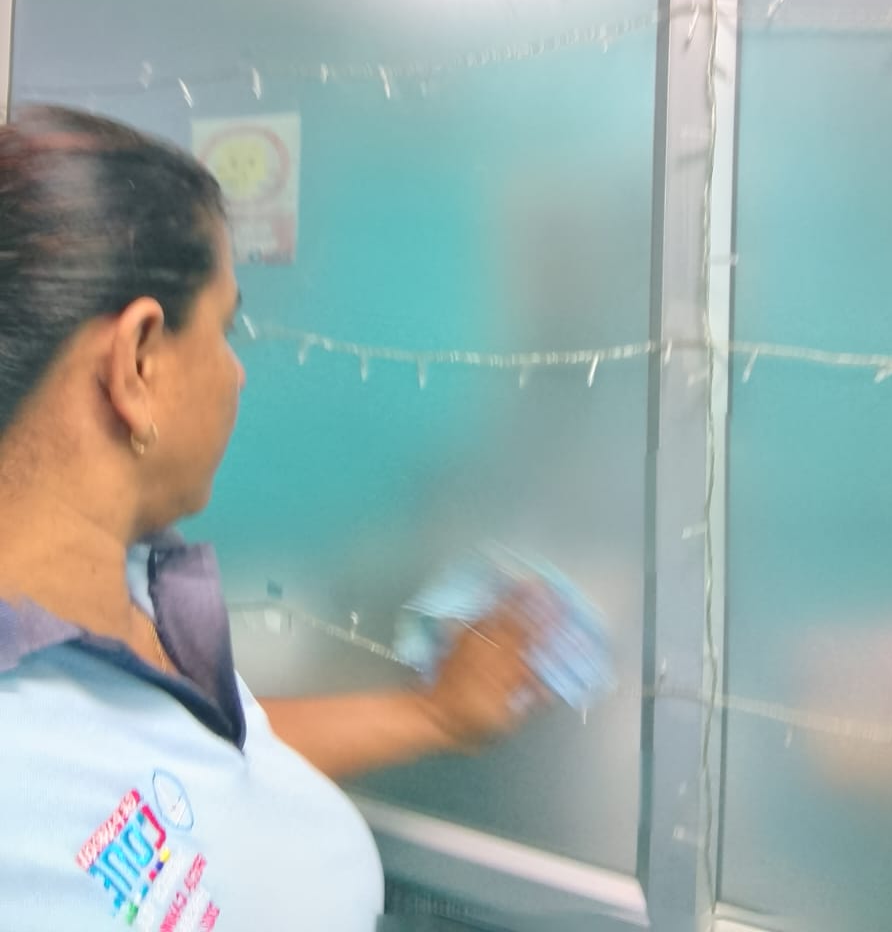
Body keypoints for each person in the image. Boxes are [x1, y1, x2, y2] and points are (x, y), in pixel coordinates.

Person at [0, 105, 549, 932]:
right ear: (138, 364)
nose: (238, 374)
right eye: (225, 328)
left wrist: (432, 715)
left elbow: (195, 766)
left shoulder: (120, 586)